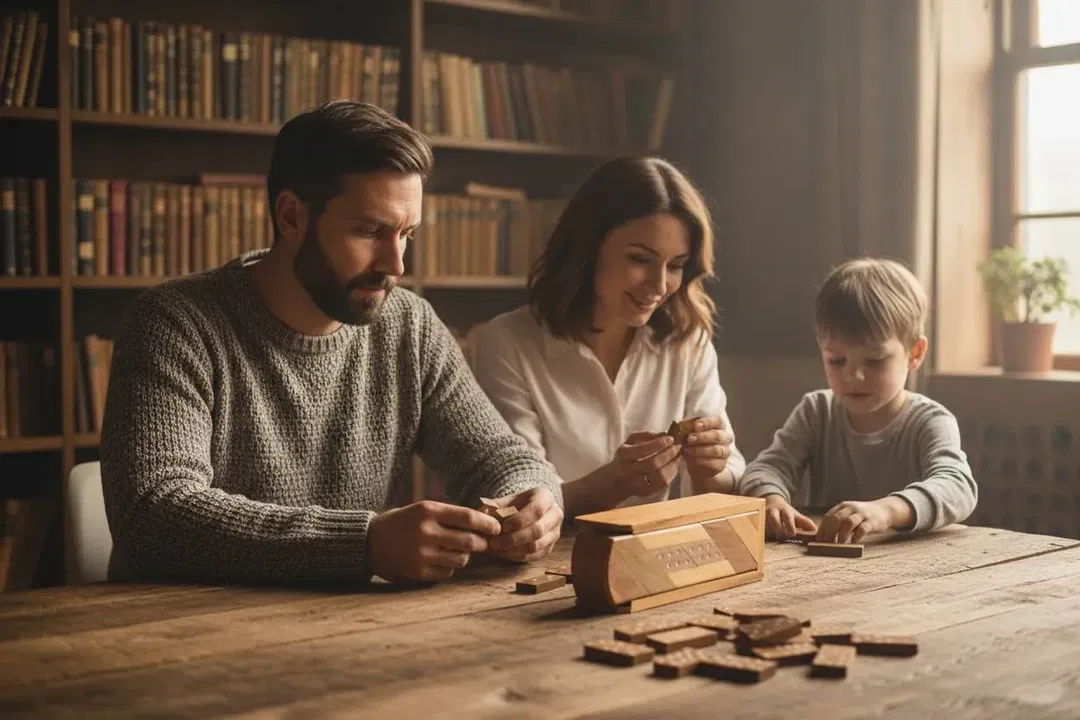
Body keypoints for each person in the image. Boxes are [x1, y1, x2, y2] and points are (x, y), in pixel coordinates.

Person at [100, 100, 564, 586]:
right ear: (291, 217)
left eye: (406, 234)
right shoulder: (174, 323)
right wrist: (361, 545)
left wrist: (534, 500)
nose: (396, 265)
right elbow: (152, 516)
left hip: (351, 622)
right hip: (183, 621)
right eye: (371, 231)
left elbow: (500, 458)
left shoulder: (411, 326)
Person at [471, 156, 744, 518]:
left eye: (676, 265)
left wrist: (708, 470)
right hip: (551, 551)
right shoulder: (507, 342)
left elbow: (724, 490)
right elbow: (521, 500)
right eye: (640, 259)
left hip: (657, 549)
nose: (659, 285)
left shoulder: (687, 343)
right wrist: (614, 482)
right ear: (589, 248)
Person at [737, 257, 978, 542]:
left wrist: (887, 511)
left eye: (875, 361)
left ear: (914, 353)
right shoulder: (816, 412)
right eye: (837, 360)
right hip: (826, 562)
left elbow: (957, 487)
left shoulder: (930, 421)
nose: (854, 376)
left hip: (916, 564)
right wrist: (771, 499)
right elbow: (765, 469)